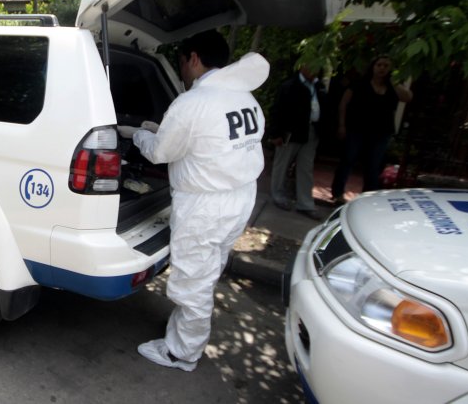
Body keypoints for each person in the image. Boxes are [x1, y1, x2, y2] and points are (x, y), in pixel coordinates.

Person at [120, 29, 269, 371]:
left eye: (182, 61)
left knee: (193, 279)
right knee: (208, 269)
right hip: (239, 197)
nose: (182, 69)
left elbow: (160, 153)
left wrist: (142, 134)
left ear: (194, 58)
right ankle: (184, 332)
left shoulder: (192, 103)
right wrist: (160, 129)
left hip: (206, 206)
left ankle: (182, 352)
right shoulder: (245, 98)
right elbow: (209, 141)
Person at [331, 55, 413, 203]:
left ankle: (367, 198)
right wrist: (342, 125)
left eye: (386, 66)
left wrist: (394, 81)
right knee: (347, 160)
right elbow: (343, 104)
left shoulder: (392, 87)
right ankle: (338, 193)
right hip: (357, 129)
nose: (382, 68)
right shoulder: (359, 84)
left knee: (373, 165)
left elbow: (407, 97)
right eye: (379, 65)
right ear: (373, 67)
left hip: (381, 133)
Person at [267, 66, 322, 219]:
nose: (314, 69)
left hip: (311, 131)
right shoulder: (290, 85)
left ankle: (305, 204)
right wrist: (275, 133)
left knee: (306, 168)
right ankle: (278, 195)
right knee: (282, 164)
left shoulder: (319, 86)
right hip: (291, 131)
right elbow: (277, 110)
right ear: (302, 67)